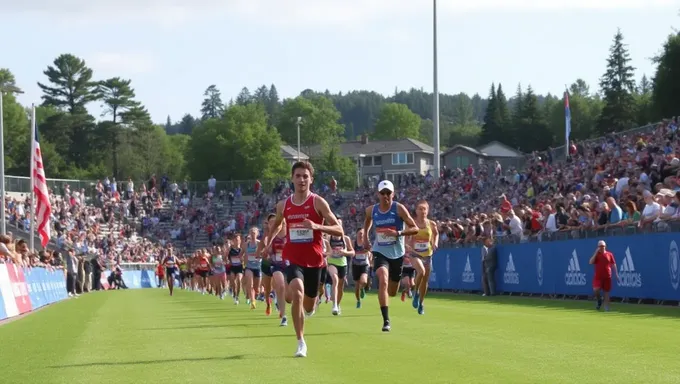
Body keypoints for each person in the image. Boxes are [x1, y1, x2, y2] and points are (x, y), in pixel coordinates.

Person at [266, 161, 343, 358]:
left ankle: (307, 304)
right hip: (292, 257)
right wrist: (267, 243)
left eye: (305, 176)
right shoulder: (284, 204)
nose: (301, 179)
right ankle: (301, 342)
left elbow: (338, 229)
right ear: (292, 179)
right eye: (298, 176)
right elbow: (276, 224)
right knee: (297, 293)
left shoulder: (318, 202)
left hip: (315, 260)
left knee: (307, 303)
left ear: (311, 179)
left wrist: (317, 227)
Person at [362, 179, 418, 332]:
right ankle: (386, 320)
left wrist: (398, 233)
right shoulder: (371, 210)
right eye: (382, 193)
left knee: (392, 290)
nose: (385, 196)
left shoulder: (399, 209)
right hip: (380, 252)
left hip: (397, 254)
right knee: (383, 279)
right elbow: (367, 221)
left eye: (388, 193)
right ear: (378, 194)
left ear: (393, 194)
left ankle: (389, 295)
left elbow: (415, 228)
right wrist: (366, 236)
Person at [408, 200, 439, 315]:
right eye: (420, 209)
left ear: (428, 210)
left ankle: (421, 303)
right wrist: (408, 245)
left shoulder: (431, 224)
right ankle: (415, 292)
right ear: (416, 211)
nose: (422, 211)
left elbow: (436, 234)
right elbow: (406, 238)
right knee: (421, 271)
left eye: (424, 209)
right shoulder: (412, 223)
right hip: (415, 254)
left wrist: (435, 242)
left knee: (425, 281)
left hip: (427, 254)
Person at [326, 218, 355, 315]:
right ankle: (334, 305)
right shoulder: (329, 238)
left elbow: (352, 252)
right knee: (335, 279)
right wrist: (327, 254)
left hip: (342, 264)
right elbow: (326, 251)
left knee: (340, 287)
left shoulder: (345, 239)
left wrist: (345, 252)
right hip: (332, 263)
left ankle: (337, 304)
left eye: (339, 224)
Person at [589, 240, 619, 311]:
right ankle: (599, 300)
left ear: (605, 246)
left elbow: (613, 264)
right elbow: (590, 262)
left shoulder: (609, 254)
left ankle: (606, 308)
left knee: (606, 292)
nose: (602, 248)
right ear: (598, 247)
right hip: (598, 277)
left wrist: (616, 273)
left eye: (603, 246)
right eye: (600, 246)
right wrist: (595, 253)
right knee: (596, 290)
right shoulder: (597, 255)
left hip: (607, 276)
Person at [243, 227, 262, 310]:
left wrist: (260, 255)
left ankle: (256, 295)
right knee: (250, 284)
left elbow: (265, 253)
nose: (252, 235)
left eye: (254, 233)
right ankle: (252, 301)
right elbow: (241, 253)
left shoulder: (260, 243)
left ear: (257, 234)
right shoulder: (246, 244)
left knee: (256, 288)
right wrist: (240, 257)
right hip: (249, 267)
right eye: (251, 233)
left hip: (258, 267)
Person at [352, 228, 372, 308]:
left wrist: (369, 254)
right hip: (356, 265)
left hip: (364, 265)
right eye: (360, 233)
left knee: (363, 281)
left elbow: (370, 250)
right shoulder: (354, 243)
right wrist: (358, 252)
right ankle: (358, 300)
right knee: (357, 286)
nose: (361, 235)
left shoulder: (366, 243)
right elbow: (351, 252)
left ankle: (362, 288)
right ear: (357, 234)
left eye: (363, 233)